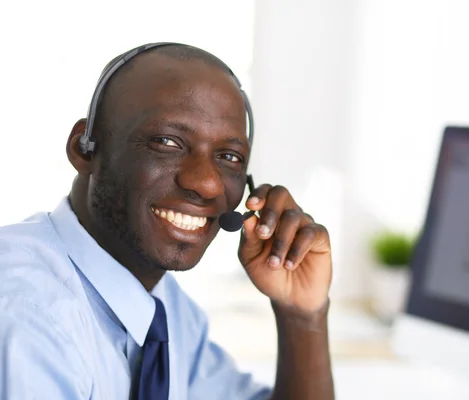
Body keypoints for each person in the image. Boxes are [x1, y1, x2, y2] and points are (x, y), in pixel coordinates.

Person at [0, 43, 334, 399]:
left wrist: (302, 315)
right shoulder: (28, 310)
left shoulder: (169, 310)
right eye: (166, 141)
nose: (207, 183)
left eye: (229, 156)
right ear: (85, 149)